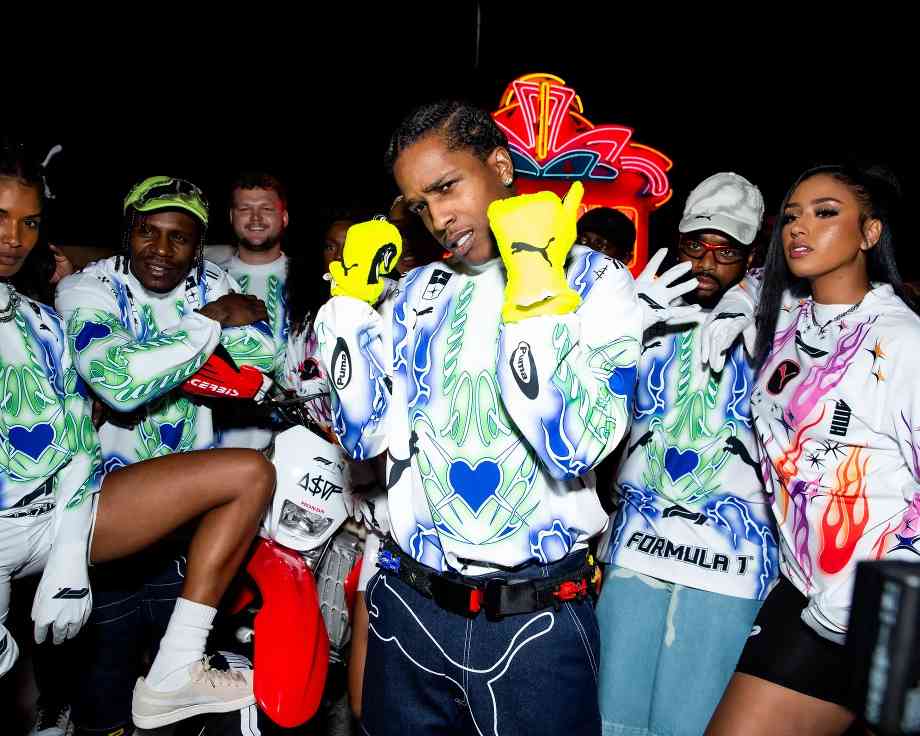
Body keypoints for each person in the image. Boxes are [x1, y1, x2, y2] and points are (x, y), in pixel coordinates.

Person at [314, 99, 643, 735]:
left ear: (500, 165)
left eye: (446, 187)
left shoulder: (593, 281)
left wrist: (537, 289)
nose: (438, 218)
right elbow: (362, 437)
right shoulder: (417, 292)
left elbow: (575, 448)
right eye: (419, 205)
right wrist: (349, 310)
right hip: (410, 607)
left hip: (534, 622)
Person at [0, 145, 275, 731]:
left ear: (199, 246)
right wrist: (208, 326)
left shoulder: (212, 281)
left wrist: (163, 357)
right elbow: (120, 381)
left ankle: (173, 676)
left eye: (180, 238)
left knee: (174, 707)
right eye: (148, 232)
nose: (162, 250)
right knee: (101, 706)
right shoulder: (86, 289)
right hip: (101, 524)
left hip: (184, 526)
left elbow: (257, 365)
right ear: (127, 231)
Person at [699, 164, 920, 736]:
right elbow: (753, 283)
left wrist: (865, 599)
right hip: (800, 586)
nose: (800, 227)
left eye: (826, 213)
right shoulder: (788, 320)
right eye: (792, 216)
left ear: (870, 233)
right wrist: (735, 301)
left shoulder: (902, 342)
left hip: (869, 609)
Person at [597, 172, 777, 736]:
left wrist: (758, 300)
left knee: (689, 724)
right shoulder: (643, 308)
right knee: (611, 720)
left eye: (726, 251)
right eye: (695, 245)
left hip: (731, 562)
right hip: (636, 546)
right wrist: (616, 324)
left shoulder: (778, 320)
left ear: (752, 256)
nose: (706, 263)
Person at [207, 171, 291, 451]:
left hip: (292, 439)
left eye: (266, 209)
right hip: (215, 439)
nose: (255, 218)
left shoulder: (309, 281)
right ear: (232, 217)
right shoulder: (207, 277)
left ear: (284, 217)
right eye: (245, 209)